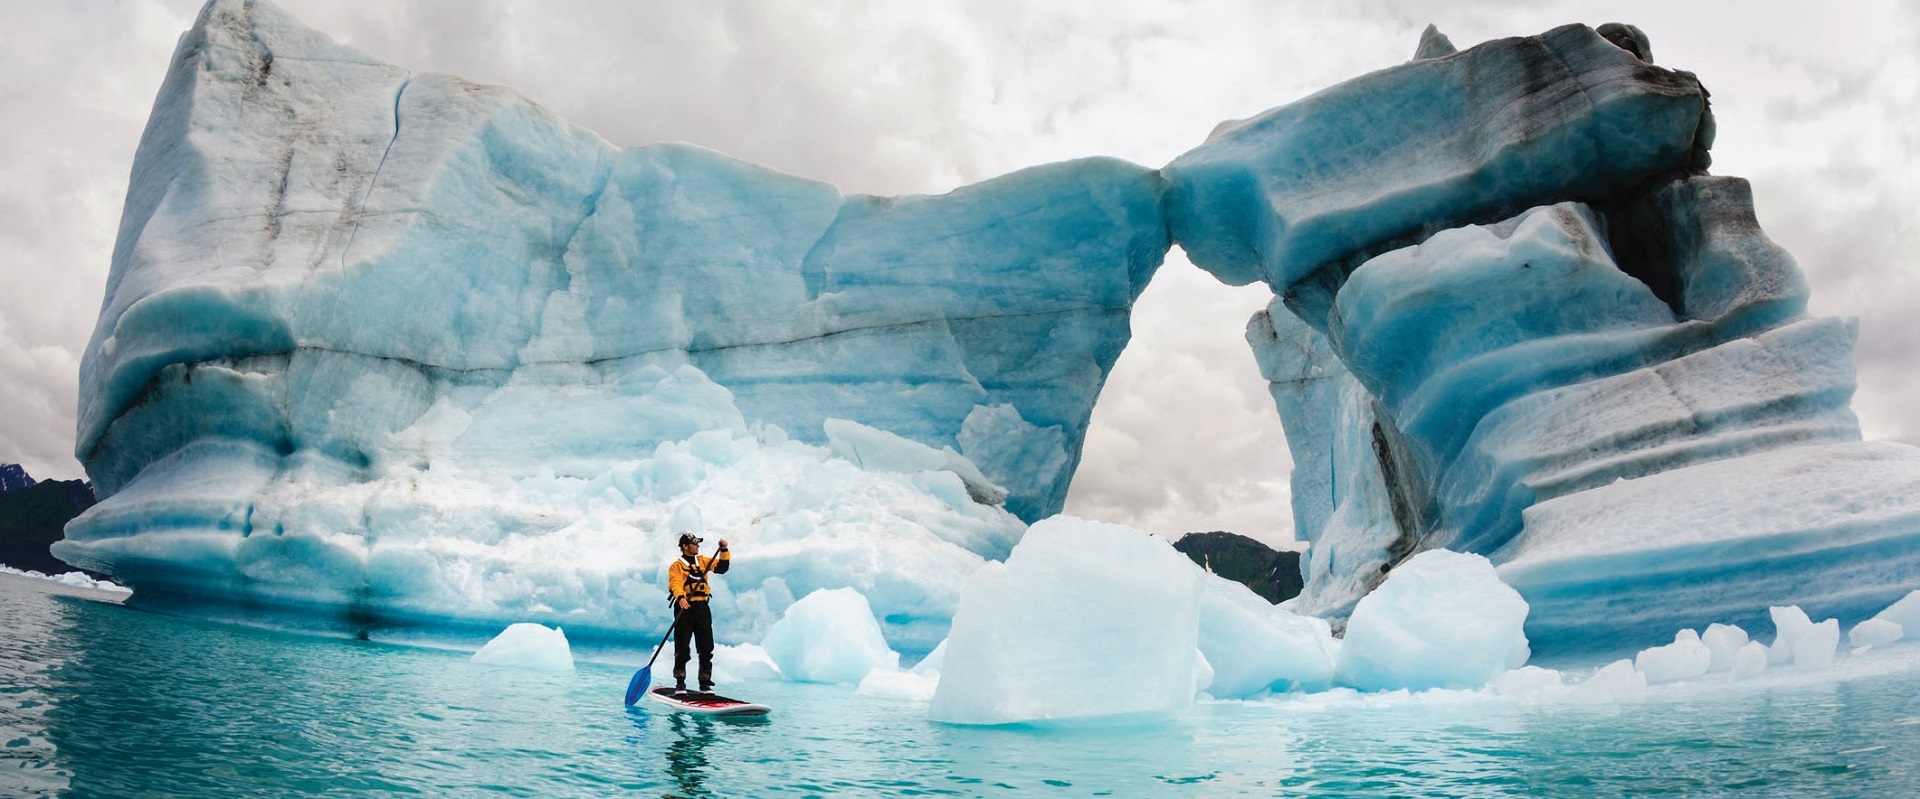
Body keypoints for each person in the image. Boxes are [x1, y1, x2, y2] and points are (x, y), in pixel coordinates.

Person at [667, 532, 729, 693]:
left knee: (706, 646)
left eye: (697, 543)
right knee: (682, 647)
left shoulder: (703, 561)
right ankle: (680, 682)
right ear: (685, 547)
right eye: (694, 544)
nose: (698, 546)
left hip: (702, 608)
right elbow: (675, 583)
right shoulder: (676, 566)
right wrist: (680, 597)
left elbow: (722, 568)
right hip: (684, 607)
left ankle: (705, 683)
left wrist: (724, 550)